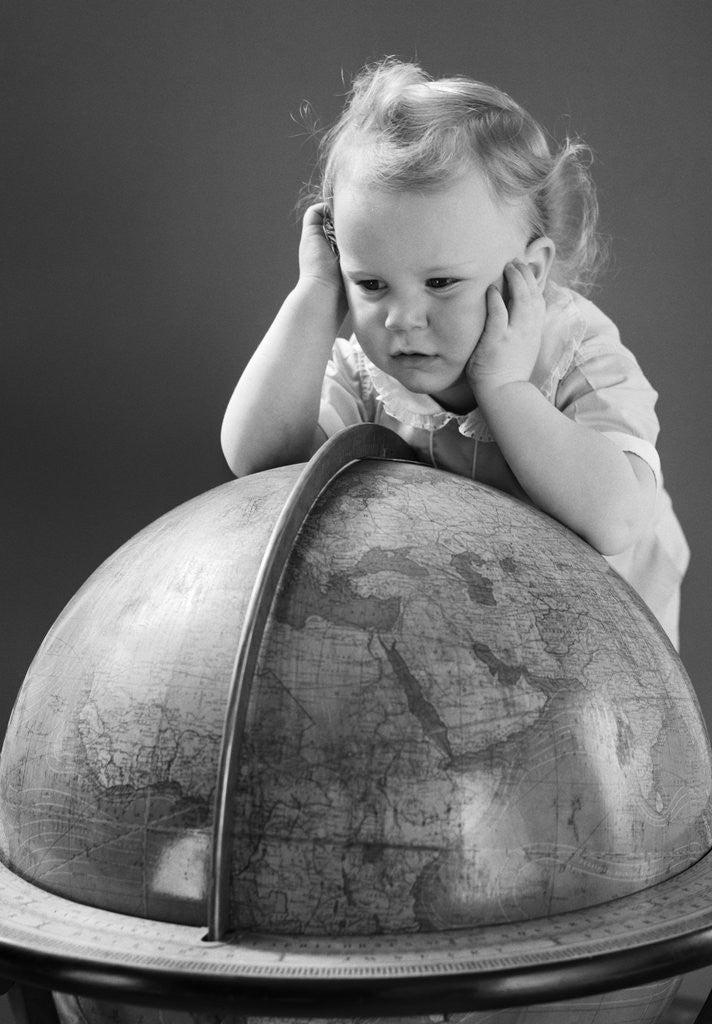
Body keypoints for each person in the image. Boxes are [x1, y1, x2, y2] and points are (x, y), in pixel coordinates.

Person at [221, 58, 689, 648]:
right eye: (370, 284)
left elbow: (615, 519)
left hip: (593, 649)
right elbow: (257, 459)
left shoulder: (576, 357)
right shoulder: (370, 373)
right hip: (459, 633)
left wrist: (506, 389)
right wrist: (314, 294)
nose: (402, 318)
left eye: (441, 284)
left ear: (531, 271)